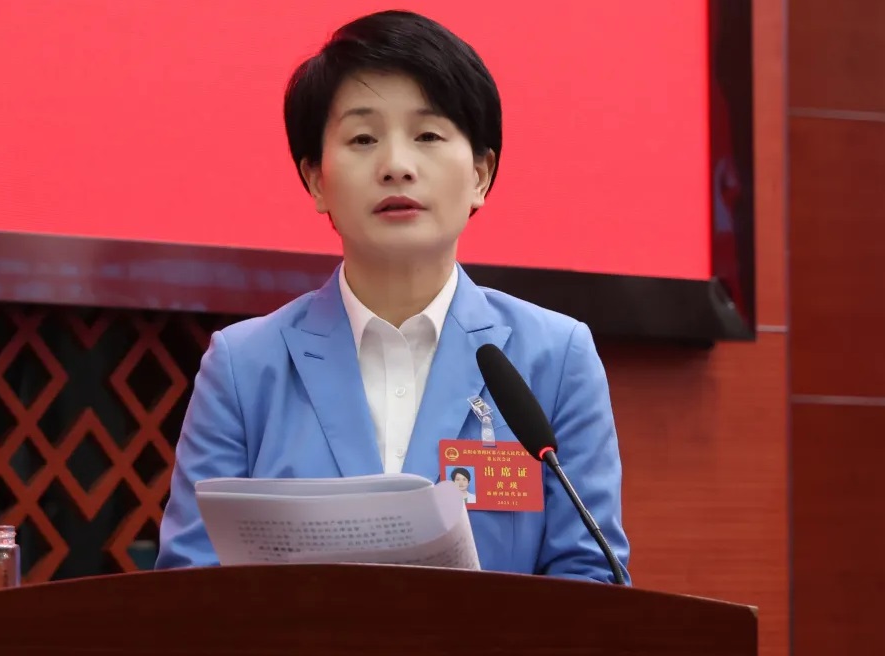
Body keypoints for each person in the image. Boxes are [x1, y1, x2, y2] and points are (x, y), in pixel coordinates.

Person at [156, 9, 630, 584]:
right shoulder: (243, 366)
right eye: (363, 138)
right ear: (316, 179)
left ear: (480, 174)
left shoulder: (555, 358)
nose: (397, 166)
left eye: (428, 136)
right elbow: (191, 583)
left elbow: (590, 580)